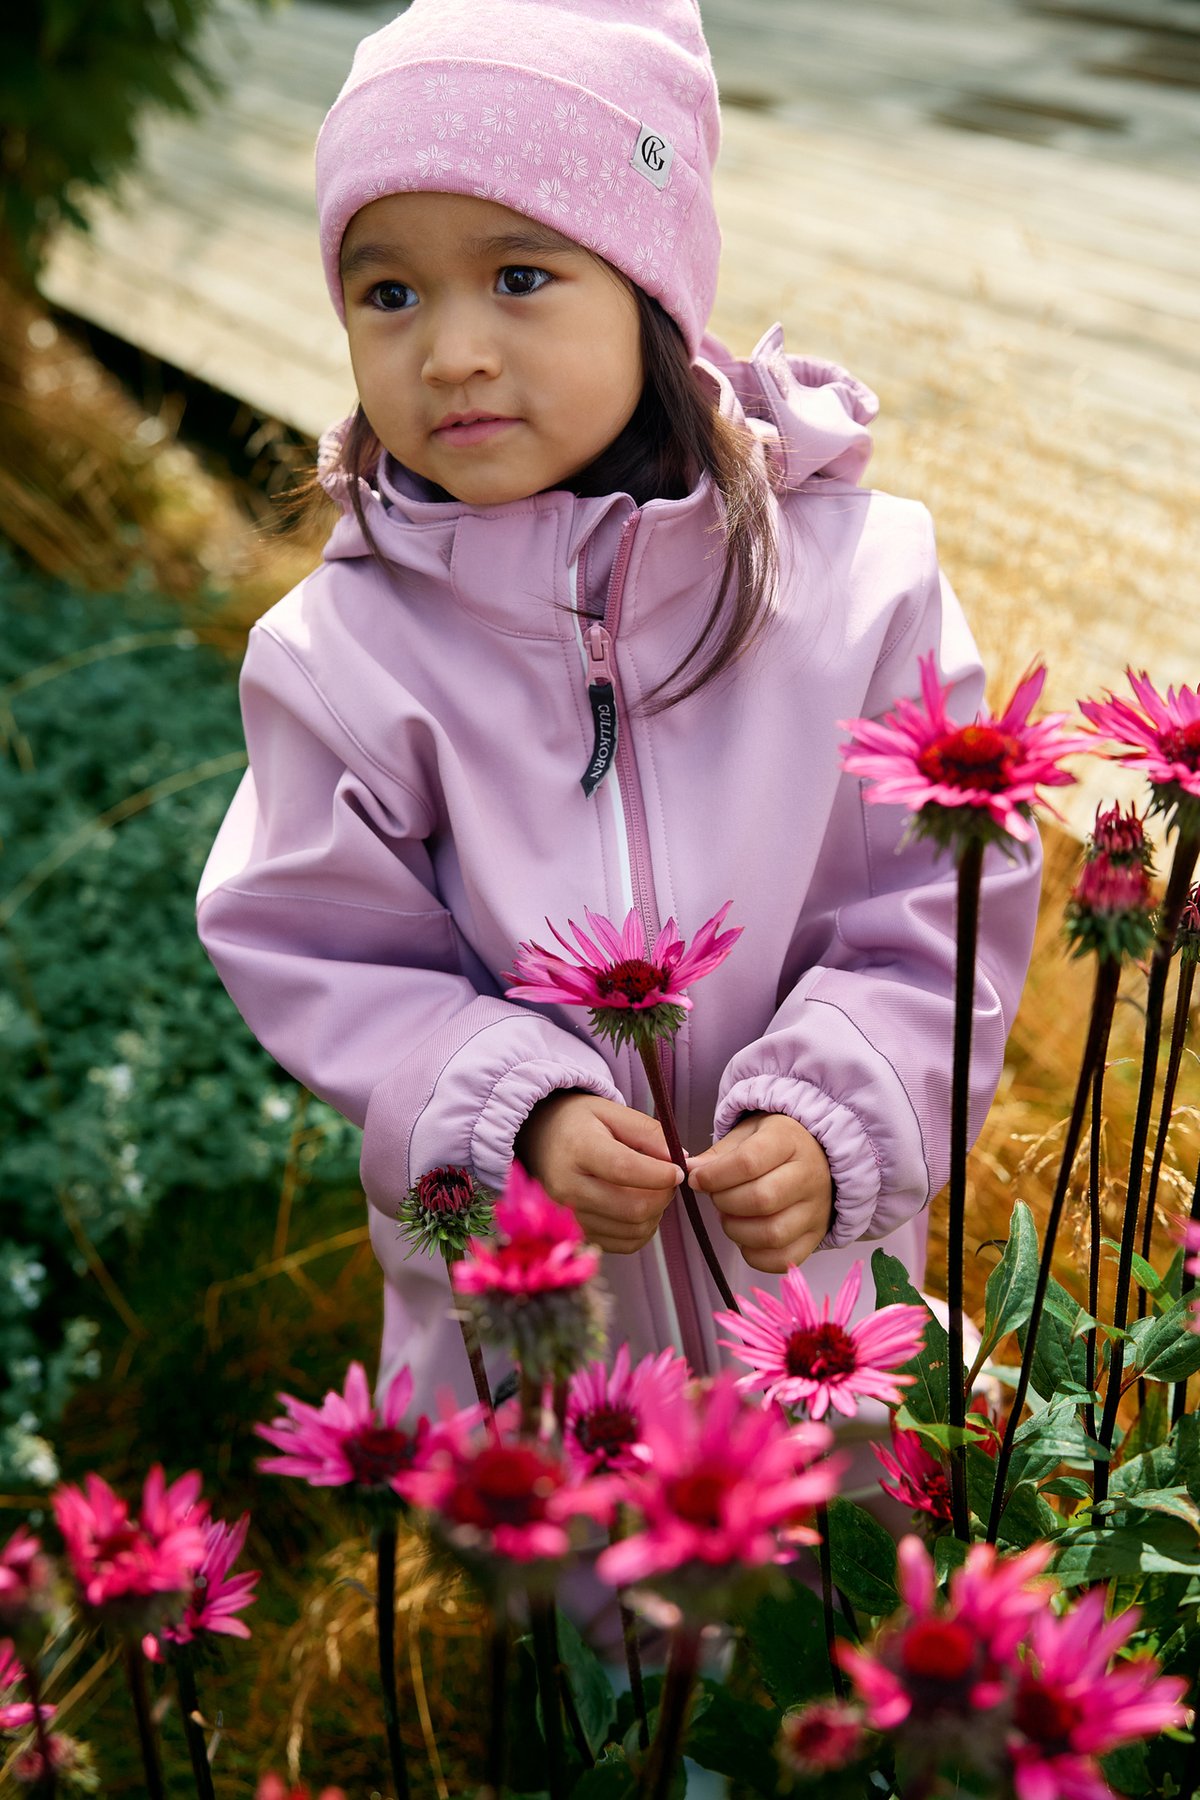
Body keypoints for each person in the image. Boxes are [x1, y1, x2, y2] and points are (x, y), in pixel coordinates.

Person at [196, 0, 1040, 1421]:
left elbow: (938, 906)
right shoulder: (340, 653)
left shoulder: (855, 588)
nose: (450, 351)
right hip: (543, 1342)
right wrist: (513, 1107)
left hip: (812, 1302)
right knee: (591, 1627)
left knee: (839, 1604)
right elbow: (320, 942)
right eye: (387, 294)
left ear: (651, 288)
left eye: (518, 275)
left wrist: (835, 1112)